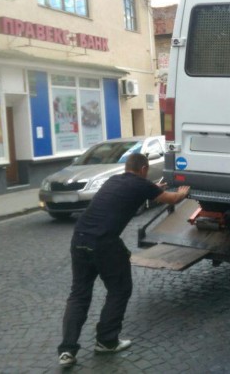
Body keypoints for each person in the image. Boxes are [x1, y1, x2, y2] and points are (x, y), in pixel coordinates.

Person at [57, 153, 190, 367]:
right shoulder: (142, 186)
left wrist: (154, 187)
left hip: (80, 237)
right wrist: (183, 193)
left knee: (79, 294)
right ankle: (106, 341)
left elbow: (136, 191)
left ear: (127, 167)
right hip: (104, 243)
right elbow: (171, 198)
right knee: (120, 289)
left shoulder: (115, 180)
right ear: (144, 169)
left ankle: (66, 350)